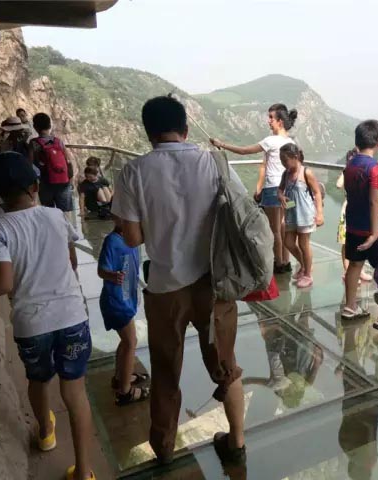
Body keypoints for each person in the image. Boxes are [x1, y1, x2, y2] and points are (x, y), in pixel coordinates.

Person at [112, 96, 246, 466]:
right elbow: (240, 214)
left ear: (149, 133)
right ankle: (236, 442)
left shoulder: (133, 172)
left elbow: (133, 239)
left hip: (165, 289)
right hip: (213, 285)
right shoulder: (213, 163)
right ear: (186, 129)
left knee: (166, 371)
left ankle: (165, 450)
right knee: (226, 366)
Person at [0, 152, 95, 480]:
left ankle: (46, 434)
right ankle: (83, 472)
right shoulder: (56, 216)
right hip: (71, 316)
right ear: (36, 186)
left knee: (38, 381)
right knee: (75, 393)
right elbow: (71, 262)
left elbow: (3, 283)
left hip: (32, 324)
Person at [210, 104, 297, 274]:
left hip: (273, 190)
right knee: (283, 226)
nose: (268, 121)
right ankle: (285, 262)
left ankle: (278, 263)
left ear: (280, 121)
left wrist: (222, 144)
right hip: (289, 191)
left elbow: (244, 151)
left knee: (274, 229)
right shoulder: (291, 142)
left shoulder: (270, 141)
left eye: (271, 118)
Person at [341, 120, 378, 331]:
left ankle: (350, 307)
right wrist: (374, 234)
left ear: (357, 141)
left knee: (354, 266)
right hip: (376, 230)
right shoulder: (376, 167)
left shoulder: (350, 166)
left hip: (353, 225)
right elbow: (375, 201)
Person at [97, 214, 150, 405]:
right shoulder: (112, 241)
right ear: (115, 218)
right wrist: (112, 275)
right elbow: (101, 270)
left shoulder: (133, 239)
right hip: (116, 302)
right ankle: (125, 391)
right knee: (130, 342)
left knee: (126, 341)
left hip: (126, 299)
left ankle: (120, 377)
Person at [277, 143, 324, 288]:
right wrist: (281, 196)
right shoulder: (286, 174)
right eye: (281, 161)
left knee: (304, 244)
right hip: (292, 213)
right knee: (288, 242)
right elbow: (280, 189)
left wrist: (319, 213)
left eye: (285, 160)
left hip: (305, 214)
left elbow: (317, 192)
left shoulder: (306, 173)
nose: (283, 163)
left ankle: (308, 275)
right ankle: (305, 265)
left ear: (295, 157)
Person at [337, 148, 374, 284]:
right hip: (348, 209)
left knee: (360, 240)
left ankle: (359, 271)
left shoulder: (363, 172)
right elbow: (338, 185)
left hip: (361, 210)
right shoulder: (348, 172)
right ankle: (348, 271)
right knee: (345, 241)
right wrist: (346, 171)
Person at [29, 113, 77, 212]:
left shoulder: (33, 143)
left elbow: (30, 164)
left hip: (45, 182)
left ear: (35, 127)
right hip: (63, 181)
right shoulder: (58, 141)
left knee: (49, 213)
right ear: (49, 126)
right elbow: (68, 161)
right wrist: (71, 180)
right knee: (65, 213)